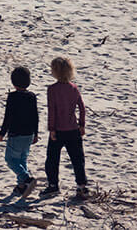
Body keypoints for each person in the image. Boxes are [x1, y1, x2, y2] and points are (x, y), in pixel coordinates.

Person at [43, 55, 89, 199]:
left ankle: (53, 185)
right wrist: (82, 125)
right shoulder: (74, 88)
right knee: (77, 159)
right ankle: (82, 187)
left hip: (58, 130)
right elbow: (82, 108)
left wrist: (51, 129)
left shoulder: (52, 89)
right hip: (73, 130)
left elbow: (52, 110)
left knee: (52, 159)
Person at [0, 65, 39, 194]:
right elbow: (35, 116)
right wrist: (36, 134)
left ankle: (26, 179)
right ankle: (21, 186)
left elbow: (8, 117)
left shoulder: (13, 97)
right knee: (22, 159)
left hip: (16, 133)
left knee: (10, 160)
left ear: (13, 83)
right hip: (29, 134)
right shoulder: (31, 96)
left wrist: (2, 133)